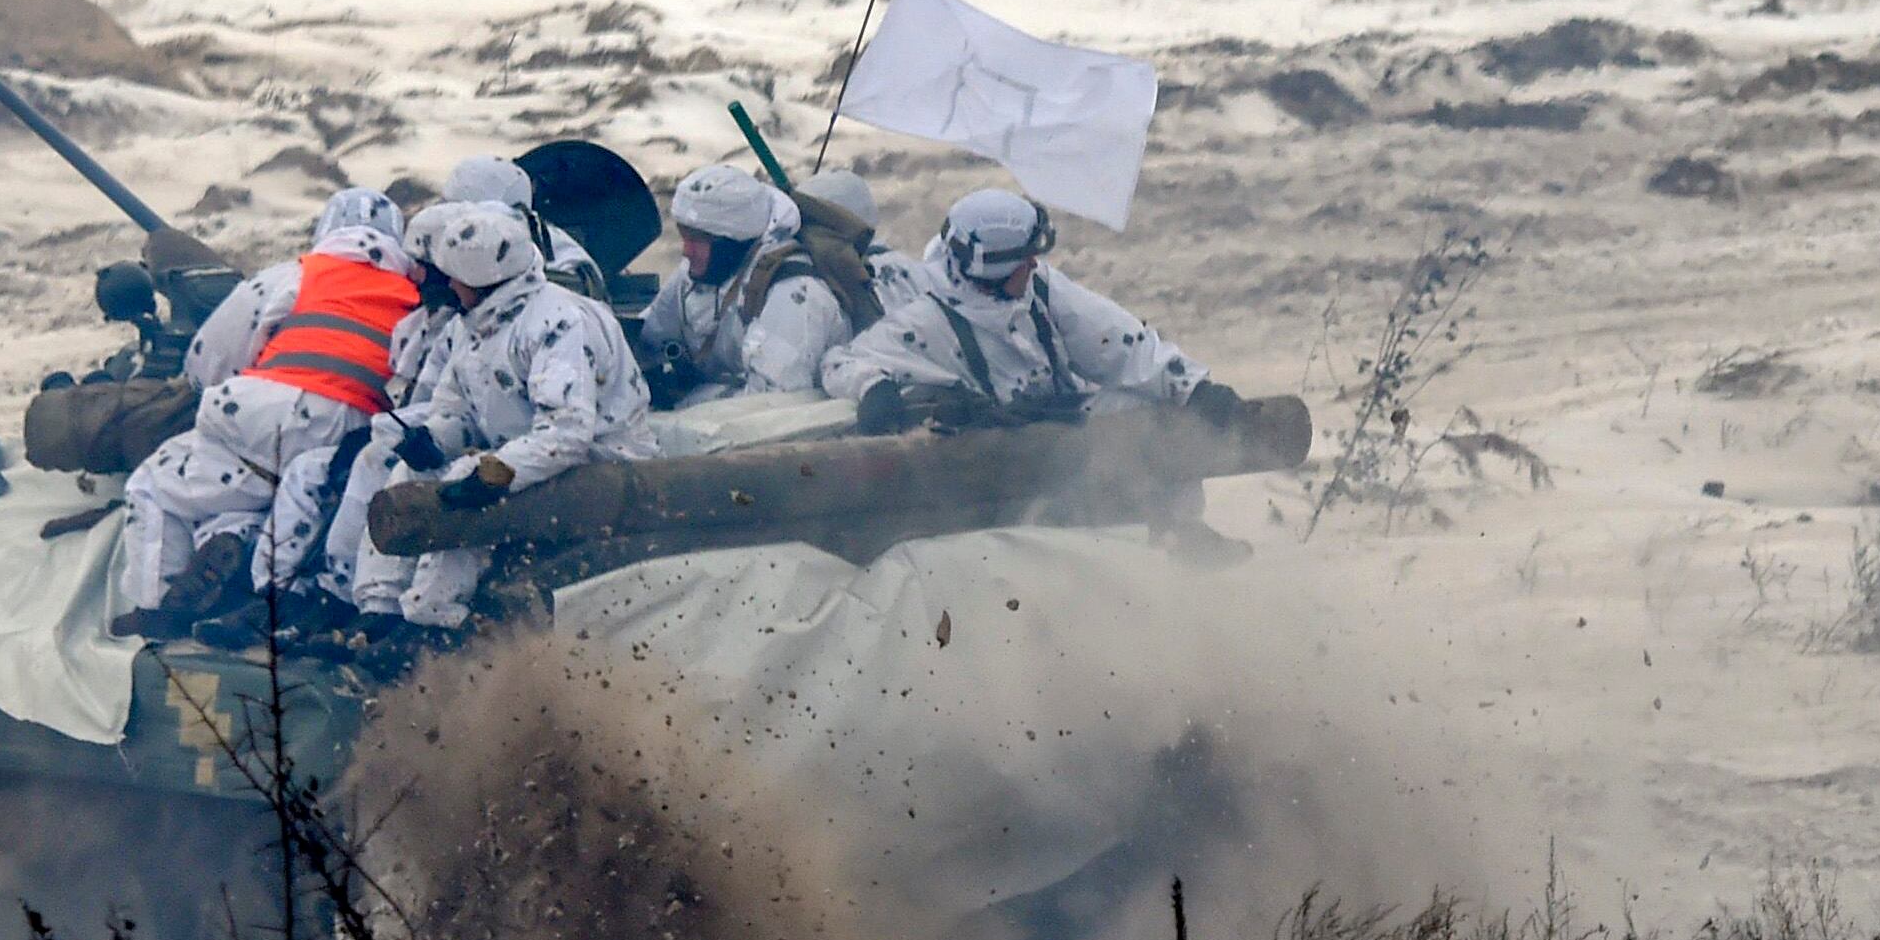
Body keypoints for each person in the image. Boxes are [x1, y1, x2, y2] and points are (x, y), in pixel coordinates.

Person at [121, 190, 422, 632]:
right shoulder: (413, 297)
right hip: (351, 438)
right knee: (261, 491)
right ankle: (234, 537)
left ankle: (156, 610)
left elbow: (208, 359)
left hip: (272, 416)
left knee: (155, 485)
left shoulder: (298, 273)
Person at [357, 201, 657, 630]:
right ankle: (378, 611)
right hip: (525, 457)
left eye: (455, 277)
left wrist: (492, 474)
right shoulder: (473, 323)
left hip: (604, 461)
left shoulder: (558, 321)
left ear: (482, 281)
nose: (447, 285)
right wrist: (433, 440)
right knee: (408, 472)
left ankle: (434, 622)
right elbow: (457, 411)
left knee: (462, 480)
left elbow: (567, 433)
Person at [823, 188, 1235, 434]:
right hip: (993, 447)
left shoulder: (1040, 289)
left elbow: (1117, 342)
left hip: (1064, 421)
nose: (1034, 264)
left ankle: (1176, 527)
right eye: (1024, 258)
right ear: (994, 268)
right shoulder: (927, 320)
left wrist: (1191, 387)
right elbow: (840, 363)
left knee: (1150, 416)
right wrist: (873, 388)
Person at [638, 162, 854, 403]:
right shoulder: (698, 275)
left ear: (733, 242)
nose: (687, 251)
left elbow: (772, 401)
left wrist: (685, 401)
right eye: (684, 237)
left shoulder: (794, 293)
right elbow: (650, 335)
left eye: (698, 240)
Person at [181, 189, 403, 387]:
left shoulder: (288, 277)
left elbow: (209, 359)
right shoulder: (410, 295)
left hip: (269, 401)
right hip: (367, 412)